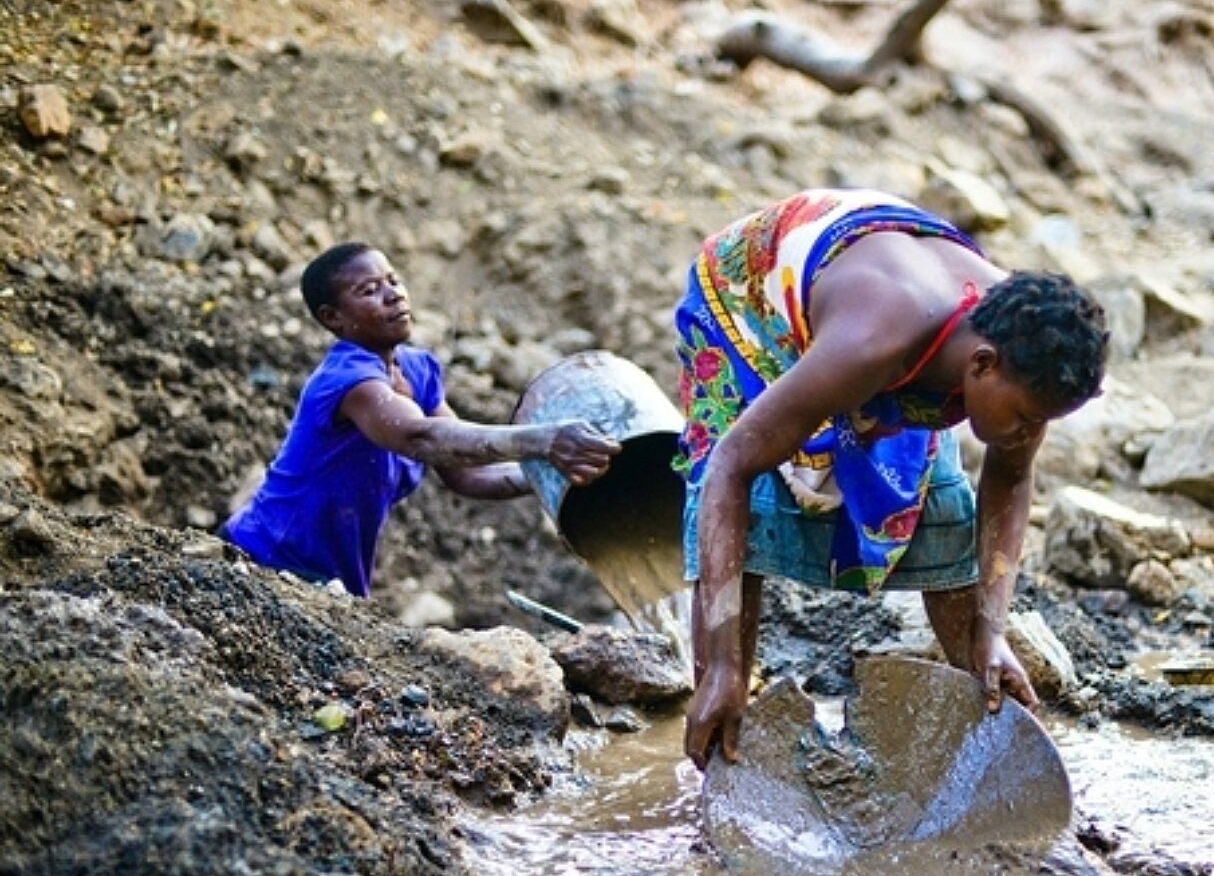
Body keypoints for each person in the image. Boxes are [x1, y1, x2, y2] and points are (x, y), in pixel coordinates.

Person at [673, 188, 1109, 771]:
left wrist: (992, 631)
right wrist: (725, 666)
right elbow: (730, 466)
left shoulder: (1024, 351)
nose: (1030, 433)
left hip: (894, 306)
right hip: (754, 296)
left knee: (941, 511)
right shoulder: (872, 343)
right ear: (980, 365)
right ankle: (722, 734)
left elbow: (1010, 478)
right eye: (1028, 418)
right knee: (756, 499)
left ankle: (981, 734)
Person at [222, 242, 620, 597]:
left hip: (328, 582)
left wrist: (554, 477)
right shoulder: (347, 380)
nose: (393, 294)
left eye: (393, 280)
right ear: (333, 318)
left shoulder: (418, 370)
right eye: (369, 290)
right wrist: (545, 441)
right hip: (264, 561)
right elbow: (422, 437)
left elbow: (468, 473)